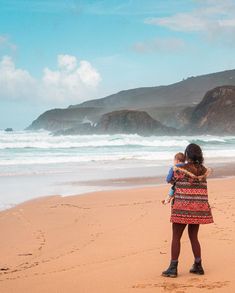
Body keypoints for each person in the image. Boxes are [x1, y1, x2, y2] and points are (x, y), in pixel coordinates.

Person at [162, 143, 213, 278]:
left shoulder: (179, 169)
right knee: (194, 237)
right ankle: (198, 265)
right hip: (198, 209)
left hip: (182, 208)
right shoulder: (204, 172)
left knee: (176, 237)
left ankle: (173, 268)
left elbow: (170, 181)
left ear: (187, 155)